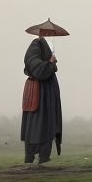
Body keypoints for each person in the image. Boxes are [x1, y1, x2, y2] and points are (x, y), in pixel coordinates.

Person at [21, 35, 62, 164]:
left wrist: (51, 63)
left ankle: (44, 156)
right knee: (35, 122)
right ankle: (30, 156)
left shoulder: (46, 44)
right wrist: (48, 64)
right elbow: (32, 64)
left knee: (48, 121)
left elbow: (49, 67)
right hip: (39, 90)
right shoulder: (36, 44)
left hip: (48, 90)